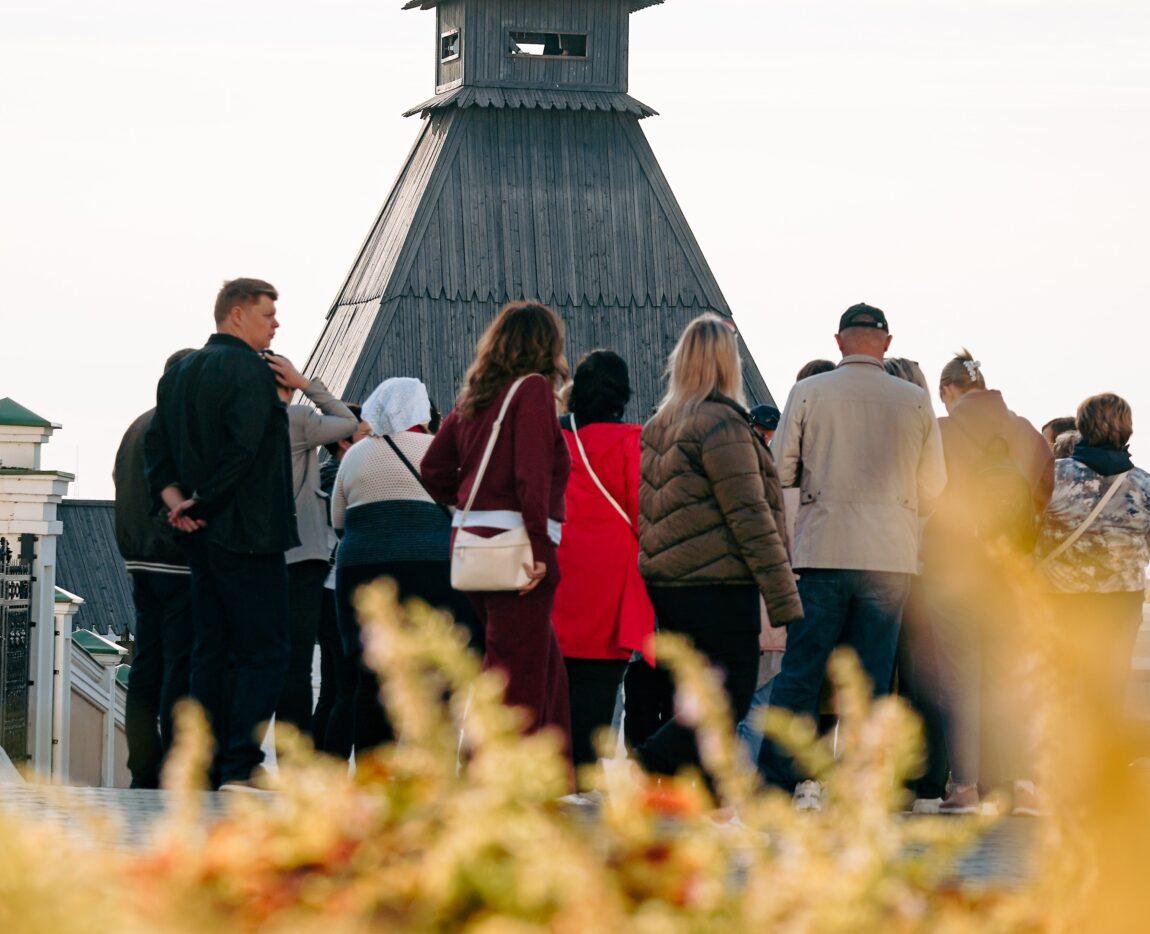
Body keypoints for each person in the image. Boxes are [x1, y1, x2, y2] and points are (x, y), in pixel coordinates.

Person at [757, 302, 946, 810]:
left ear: (838, 341)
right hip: (890, 553)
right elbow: (935, 487)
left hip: (824, 547)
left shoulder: (809, 392)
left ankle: (784, 784)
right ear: (886, 343)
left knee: (802, 671)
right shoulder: (914, 401)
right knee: (873, 679)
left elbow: (781, 472)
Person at [144, 277, 297, 790]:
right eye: (268, 314)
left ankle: (204, 766)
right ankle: (239, 763)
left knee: (209, 650)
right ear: (237, 315)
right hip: (250, 532)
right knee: (266, 651)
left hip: (199, 537)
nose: (276, 323)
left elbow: (156, 453)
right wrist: (201, 503)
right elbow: (244, 450)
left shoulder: (178, 373)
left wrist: (179, 507)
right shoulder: (250, 371)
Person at [637, 313, 803, 782]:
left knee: (693, 693)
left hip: (669, 583)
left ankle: (705, 793)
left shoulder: (661, 424)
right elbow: (748, 514)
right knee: (726, 697)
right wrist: (782, 594)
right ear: (727, 364)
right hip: (719, 581)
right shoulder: (722, 425)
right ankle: (646, 763)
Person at [421, 302, 573, 755]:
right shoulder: (532, 391)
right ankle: (504, 781)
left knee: (538, 665)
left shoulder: (473, 398)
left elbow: (433, 469)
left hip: (473, 544)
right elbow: (531, 476)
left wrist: (470, 499)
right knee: (519, 673)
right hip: (519, 546)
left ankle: (548, 771)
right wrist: (542, 551)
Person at [923, 350, 1053, 815]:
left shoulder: (941, 431)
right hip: (1012, 574)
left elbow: (924, 496)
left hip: (954, 573)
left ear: (948, 391)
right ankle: (1022, 786)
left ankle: (965, 788)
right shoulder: (1026, 431)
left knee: (960, 680)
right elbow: (1045, 499)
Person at [332, 377, 477, 751]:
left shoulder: (356, 455)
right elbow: (458, 512)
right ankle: (434, 767)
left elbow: (338, 519)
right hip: (431, 568)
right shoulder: (439, 452)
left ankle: (372, 769)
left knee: (372, 674)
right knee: (437, 671)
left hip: (362, 571)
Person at [552, 350, 654, 770]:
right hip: (611, 579)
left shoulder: (554, 436)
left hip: (556, 570)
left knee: (555, 685)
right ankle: (583, 778)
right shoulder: (632, 440)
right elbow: (642, 511)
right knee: (597, 688)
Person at [1036, 393, 1150, 731]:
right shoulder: (1144, 484)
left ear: (1082, 427)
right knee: (1111, 686)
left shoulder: (1054, 475)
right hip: (1121, 601)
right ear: (1128, 430)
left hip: (1061, 598)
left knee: (1061, 685)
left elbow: (1026, 529)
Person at [113, 347, 197, 789]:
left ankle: (143, 766)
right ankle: (177, 767)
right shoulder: (180, 426)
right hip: (177, 558)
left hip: (138, 557)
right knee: (179, 663)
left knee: (147, 662)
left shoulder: (136, 426)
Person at [266, 354, 360, 740]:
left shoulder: (235, 424)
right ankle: (295, 762)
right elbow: (348, 423)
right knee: (298, 667)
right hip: (302, 555)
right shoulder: (296, 421)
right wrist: (307, 384)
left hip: (252, 552)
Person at [312, 404, 368, 758]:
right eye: (364, 434)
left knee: (332, 687)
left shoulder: (319, 474)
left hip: (321, 588)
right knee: (348, 687)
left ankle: (319, 766)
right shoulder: (341, 476)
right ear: (345, 441)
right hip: (337, 587)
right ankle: (330, 766)